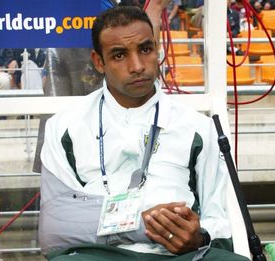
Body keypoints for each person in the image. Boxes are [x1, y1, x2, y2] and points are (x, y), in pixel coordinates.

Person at [39, 4, 250, 261]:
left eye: (145, 49)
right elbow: (57, 224)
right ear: (98, 62)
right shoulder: (64, 126)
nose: (137, 65)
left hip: (178, 255)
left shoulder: (198, 126)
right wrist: (139, 224)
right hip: (99, 255)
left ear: (156, 49)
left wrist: (200, 236)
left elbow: (220, 216)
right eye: (119, 55)